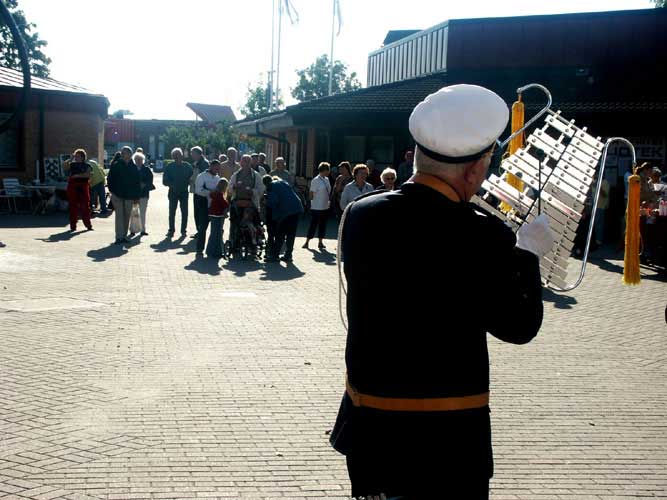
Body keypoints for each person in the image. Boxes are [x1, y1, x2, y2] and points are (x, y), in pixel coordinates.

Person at [330, 84, 553, 499]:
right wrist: (526, 256)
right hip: (449, 442)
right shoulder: (482, 234)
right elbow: (519, 326)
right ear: (474, 169)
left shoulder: (361, 214)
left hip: (371, 433)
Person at [228, 154, 265, 250]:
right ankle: (234, 243)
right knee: (235, 222)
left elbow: (261, 189)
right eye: (244, 161)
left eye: (248, 161)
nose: (246, 163)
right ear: (241, 163)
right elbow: (229, 188)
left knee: (251, 222)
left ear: (250, 163)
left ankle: (252, 242)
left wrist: (252, 191)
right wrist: (234, 187)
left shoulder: (256, 175)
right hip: (237, 202)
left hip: (250, 203)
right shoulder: (236, 175)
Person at [265, 175, 304, 262]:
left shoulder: (271, 186)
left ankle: (275, 256)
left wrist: (267, 202)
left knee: (280, 234)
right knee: (291, 234)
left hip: (286, 212)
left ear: (266, 184)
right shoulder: (283, 182)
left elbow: (274, 202)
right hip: (297, 208)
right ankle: (288, 255)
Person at [107, 146, 141, 244]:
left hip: (129, 196)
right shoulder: (116, 165)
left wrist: (137, 197)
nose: (123, 154)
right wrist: (112, 191)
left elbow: (137, 183)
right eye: (122, 152)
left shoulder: (134, 167)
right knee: (119, 216)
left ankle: (124, 236)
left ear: (130, 154)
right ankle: (119, 237)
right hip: (117, 195)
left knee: (126, 216)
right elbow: (110, 179)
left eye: (126, 152)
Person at [163, 147, 193, 237]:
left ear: (182, 155)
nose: (177, 157)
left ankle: (183, 230)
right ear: (172, 156)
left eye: (178, 155)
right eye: (175, 155)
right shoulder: (169, 166)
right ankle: (171, 230)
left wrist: (190, 182)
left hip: (184, 192)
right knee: (172, 212)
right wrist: (173, 185)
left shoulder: (187, 166)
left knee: (185, 212)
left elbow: (193, 178)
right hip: (173, 192)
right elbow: (164, 181)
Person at [195, 159, 221, 256]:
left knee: (216, 229)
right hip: (204, 204)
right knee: (203, 227)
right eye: (215, 168)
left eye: (218, 168)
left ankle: (214, 248)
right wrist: (210, 193)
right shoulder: (202, 176)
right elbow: (198, 190)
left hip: (215, 205)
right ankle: (199, 248)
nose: (217, 170)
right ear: (211, 166)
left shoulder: (218, 178)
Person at [303, 162, 332, 250]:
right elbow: (311, 193)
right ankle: (307, 242)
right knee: (313, 225)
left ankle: (320, 242)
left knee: (323, 225)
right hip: (316, 206)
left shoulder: (327, 179)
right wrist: (310, 204)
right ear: (324, 170)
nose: (329, 171)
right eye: (328, 170)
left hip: (325, 206)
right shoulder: (315, 180)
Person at [66, 148, 93, 232]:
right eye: (75, 156)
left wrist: (77, 176)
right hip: (73, 187)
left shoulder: (87, 165)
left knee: (85, 207)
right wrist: (71, 158)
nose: (76, 158)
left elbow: (88, 175)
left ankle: (88, 225)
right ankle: (73, 226)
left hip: (83, 187)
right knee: (72, 206)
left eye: (78, 156)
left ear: (82, 157)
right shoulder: (72, 164)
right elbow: (64, 166)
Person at [190, 146, 210, 239]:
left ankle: (201, 231)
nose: (192, 155)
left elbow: (204, 178)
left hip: (202, 192)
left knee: (200, 213)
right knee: (197, 212)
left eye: (193, 153)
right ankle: (199, 230)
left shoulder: (204, 163)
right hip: (197, 191)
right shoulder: (197, 162)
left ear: (199, 154)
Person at [207, 178, 230, 258]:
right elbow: (224, 204)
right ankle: (216, 251)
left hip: (212, 215)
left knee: (213, 233)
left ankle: (210, 251)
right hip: (218, 215)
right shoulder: (219, 195)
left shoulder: (214, 193)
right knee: (218, 234)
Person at [134, 151, 155, 236]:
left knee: (142, 212)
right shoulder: (132, 169)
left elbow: (150, 180)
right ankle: (133, 229)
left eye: (140, 159)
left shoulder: (147, 169)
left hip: (144, 194)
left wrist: (145, 184)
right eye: (136, 159)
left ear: (143, 160)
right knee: (134, 213)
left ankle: (143, 230)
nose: (138, 161)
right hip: (133, 195)